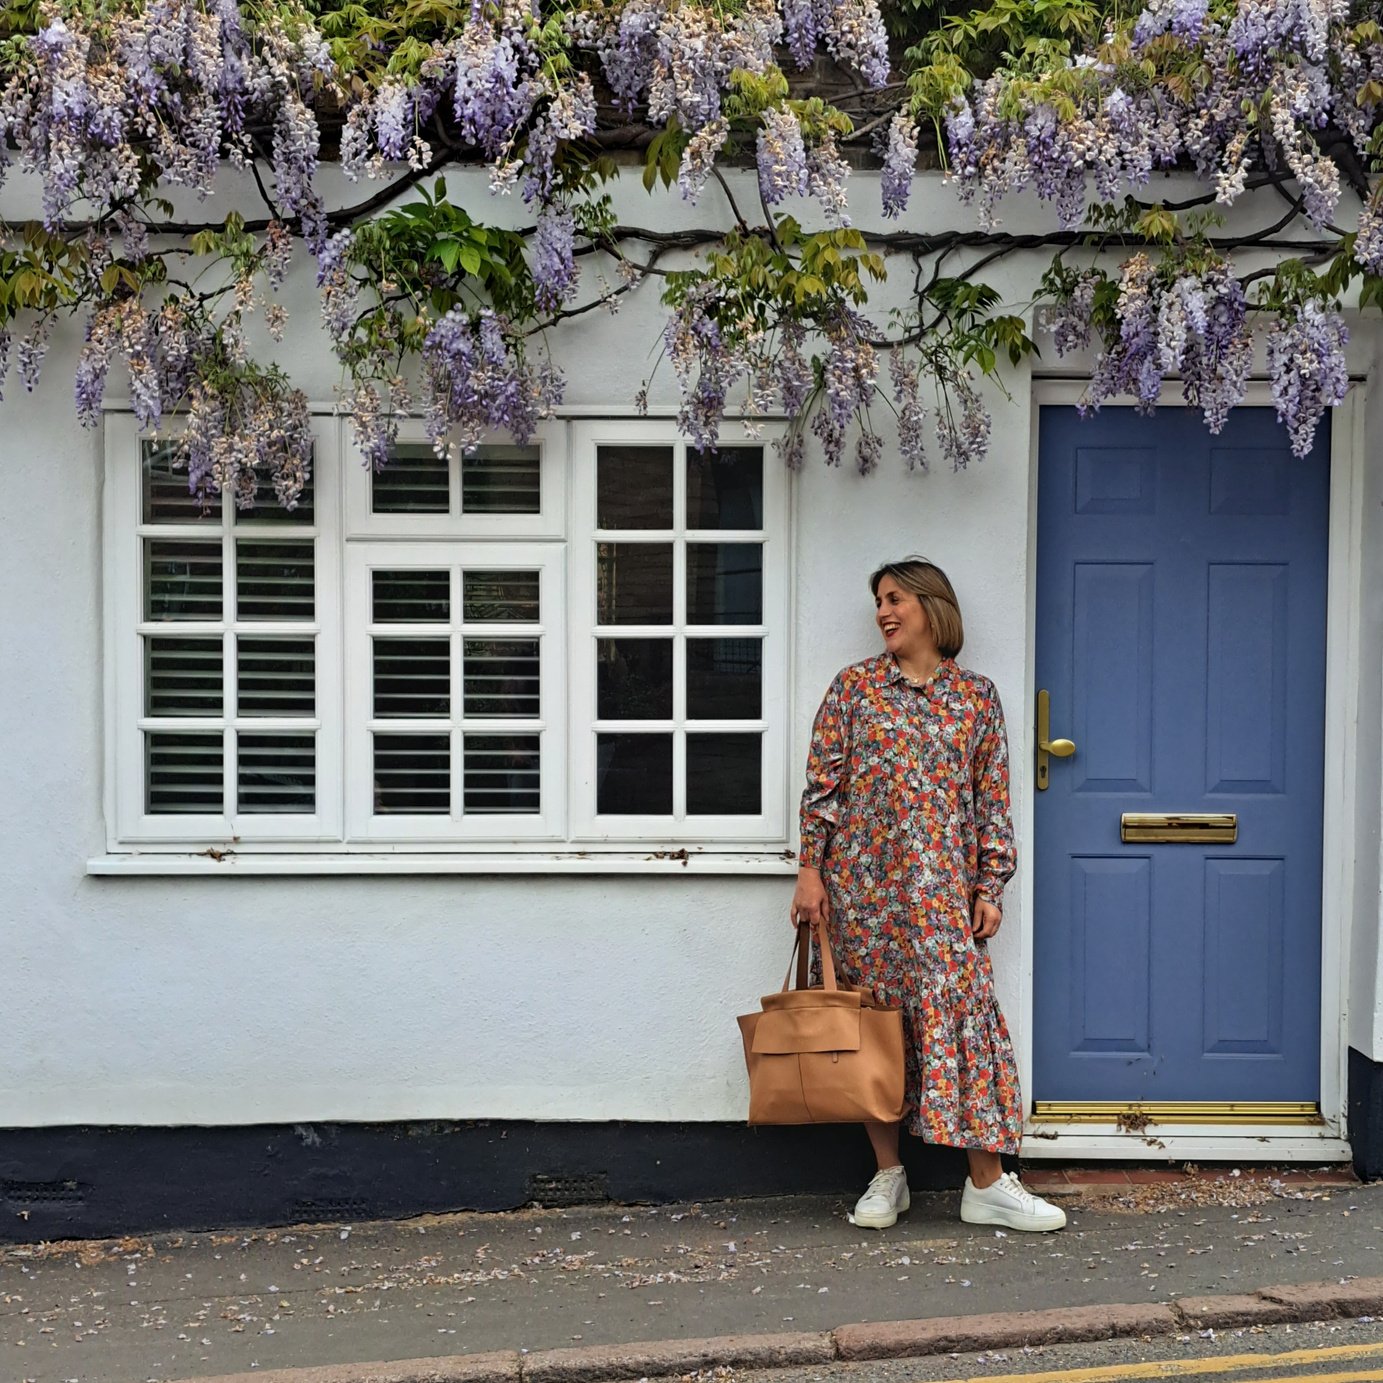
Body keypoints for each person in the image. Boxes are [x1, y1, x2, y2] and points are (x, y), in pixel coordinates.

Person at [791, 557, 1066, 1234]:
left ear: (931, 607)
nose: (883, 612)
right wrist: (810, 872)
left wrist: (990, 886)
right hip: (866, 894)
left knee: (965, 1026)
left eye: (895, 599)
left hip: (942, 897)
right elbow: (821, 792)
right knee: (873, 1033)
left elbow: (990, 804)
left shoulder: (975, 697)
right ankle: (887, 1175)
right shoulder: (853, 690)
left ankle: (986, 1182)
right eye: (878, 601)